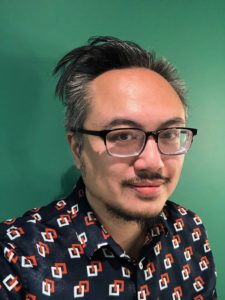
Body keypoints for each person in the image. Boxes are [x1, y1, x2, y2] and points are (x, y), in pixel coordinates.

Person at [0, 36, 217, 299]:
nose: (153, 162)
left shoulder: (189, 230)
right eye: (123, 136)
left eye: (170, 133)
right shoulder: (16, 256)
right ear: (77, 148)